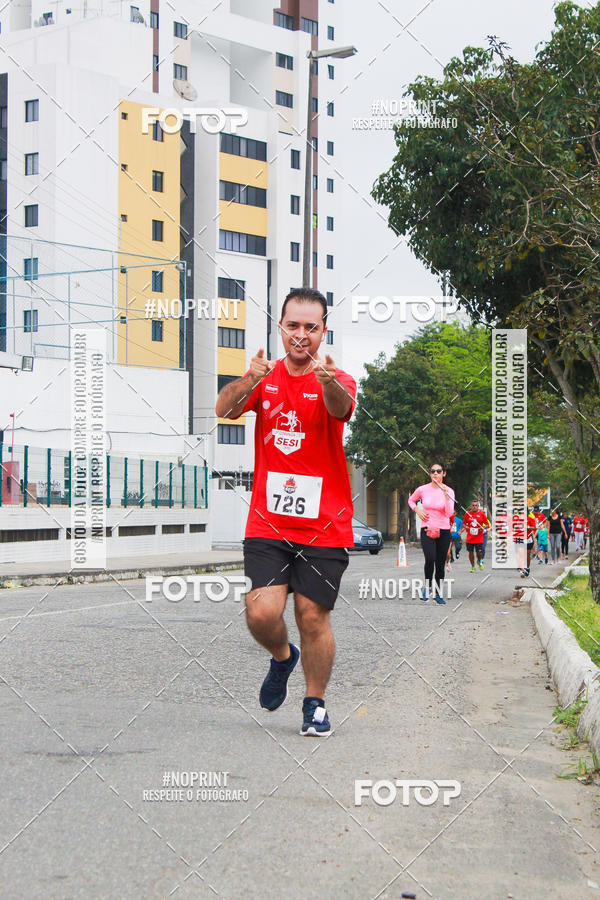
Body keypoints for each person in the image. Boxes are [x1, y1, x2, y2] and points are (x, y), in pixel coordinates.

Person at [215, 288, 356, 737]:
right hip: (268, 521)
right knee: (260, 612)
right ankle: (282, 657)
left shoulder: (339, 379)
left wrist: (328, 381)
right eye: (293, 326)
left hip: (325, 525)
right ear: (280, 328)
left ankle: (314, 703)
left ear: (323, 332)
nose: (301, 335)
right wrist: (247, 382)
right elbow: (225, 410)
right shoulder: (264, 377)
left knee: (312, 616)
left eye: (310, 327)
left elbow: (341, 409)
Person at [408, 464, 455, 604]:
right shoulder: (422, 489)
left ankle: (437, 593)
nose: (435, 474)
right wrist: (417, 509)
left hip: (444, 530)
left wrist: (446, 498)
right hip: (427, 528)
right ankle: (428, 586)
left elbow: (449, 513)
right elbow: (411, 500)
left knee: (440, 563)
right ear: (430, 474)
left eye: (438, 471)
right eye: (432, 471)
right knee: (430, 558)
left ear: (444, 474)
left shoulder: (449, 491)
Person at [460, 499, 489, 572]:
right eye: (473, 505)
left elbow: (487, 525)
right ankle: (473, 567)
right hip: (470, 537)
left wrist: (483, 527)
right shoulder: (468, 514)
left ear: (478, 506)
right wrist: (466, 527)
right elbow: (463, 524)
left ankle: (479, 561)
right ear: (471, 506)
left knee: (479, 552)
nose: (474, 507)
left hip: (479, 537)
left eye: (476, 505)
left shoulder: (482, 514)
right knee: (470, 552)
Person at [513, 507, 537, 577]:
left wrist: (528, 527)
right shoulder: (516, 519)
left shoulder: (530, 519)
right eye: (520, 511)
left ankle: (527, 567)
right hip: (519, 538)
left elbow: (534, 528)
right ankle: (522, 570)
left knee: (527, 554)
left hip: (528, 538)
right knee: (520, 554)